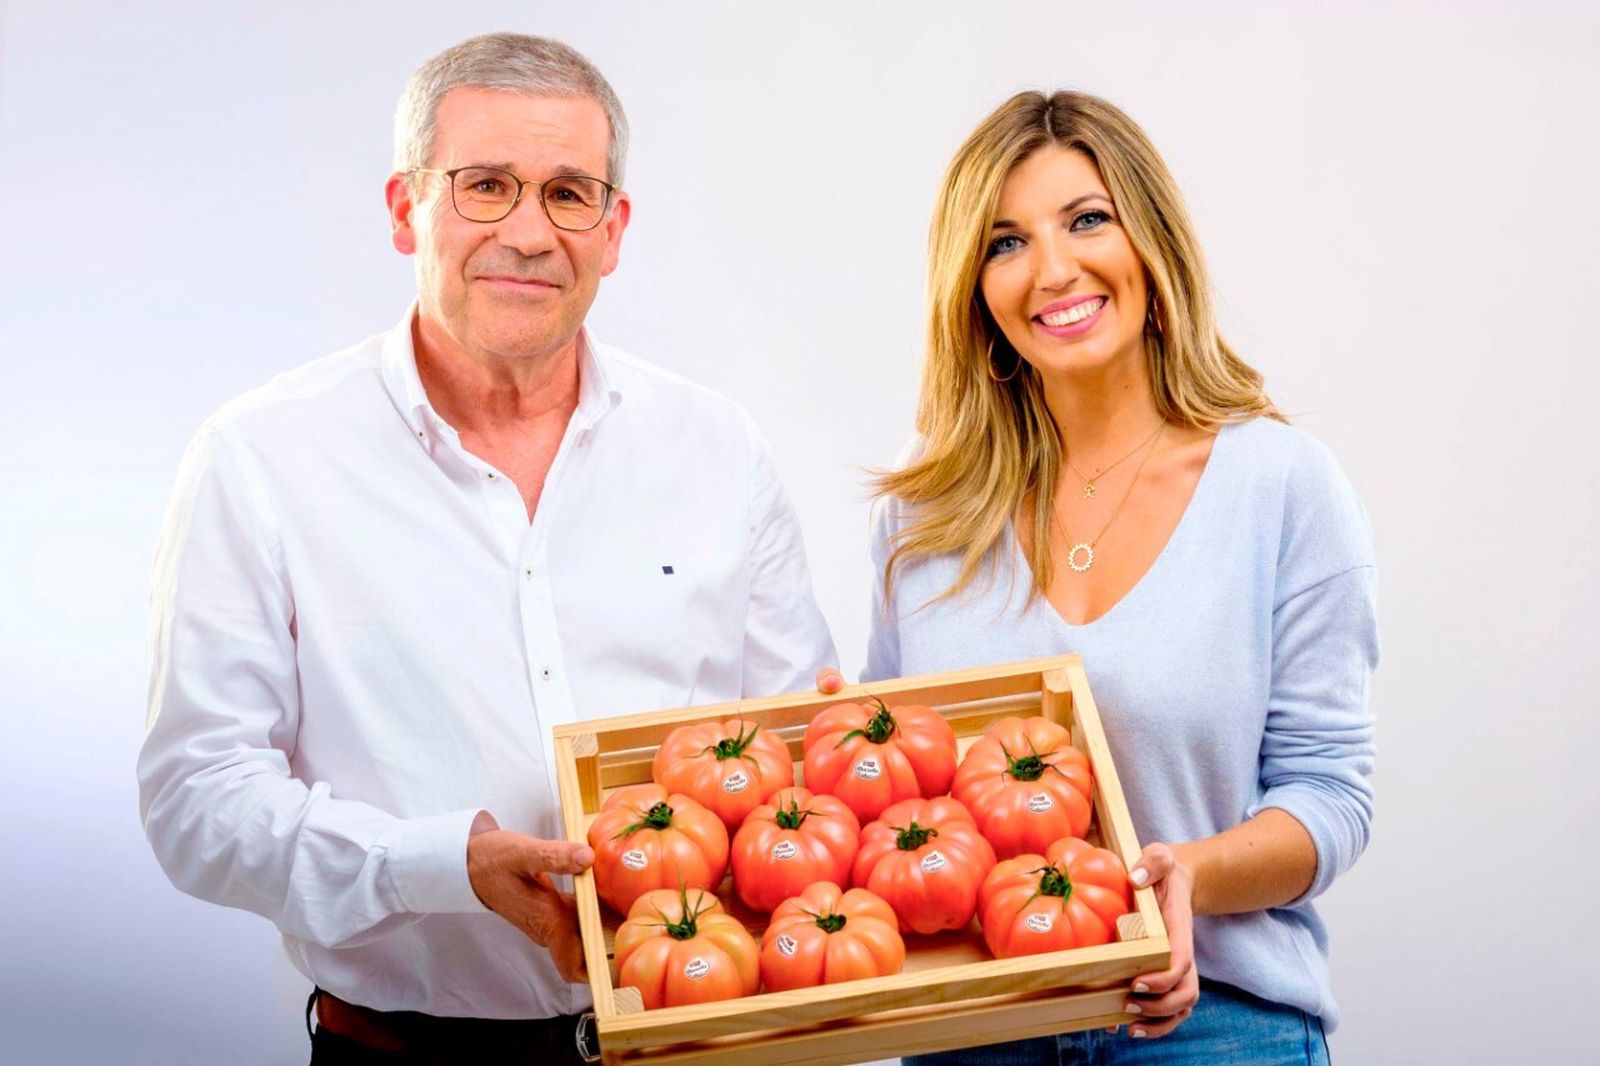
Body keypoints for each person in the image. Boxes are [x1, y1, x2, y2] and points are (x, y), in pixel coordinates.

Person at [137, 32, 835, 1066]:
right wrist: (430, 863)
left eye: (566, 193)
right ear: (403, 208)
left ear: (612, 228)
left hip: (697, 1039)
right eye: (485, 186)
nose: (527, 231)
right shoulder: (261, 458)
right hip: (406, 1051)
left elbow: (794, 757)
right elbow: (195, 800)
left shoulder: (716, 448)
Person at [818, 90, 1376, 1064]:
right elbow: (907, 797)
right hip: (976, 1032)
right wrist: (841, 760)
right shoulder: (923, 515)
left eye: (1086, 219)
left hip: (1214, 1022)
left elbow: (1330, 795)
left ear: (1150, 241)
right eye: (1004, 242)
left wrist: (1185, 874)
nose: (1053, 268)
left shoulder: (1278, 485)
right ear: (973, 287)